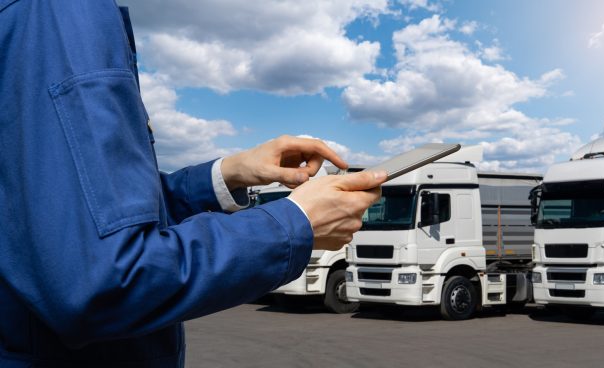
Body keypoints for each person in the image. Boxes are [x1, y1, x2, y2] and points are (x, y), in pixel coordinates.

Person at [0, 1, 385, 366]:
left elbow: (73, 216)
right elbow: (105, 281)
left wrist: (225, 175)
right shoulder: (61, 14)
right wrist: (295, 222)